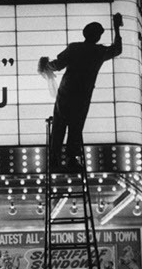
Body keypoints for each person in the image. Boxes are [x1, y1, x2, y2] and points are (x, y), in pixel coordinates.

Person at [39, 13, 123, 170]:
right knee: (76, 126)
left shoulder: (74, 48)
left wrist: (46, 66)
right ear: (97, 36)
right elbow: (117, 49)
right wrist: (117, 28)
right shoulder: (99, 52)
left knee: (59, 125)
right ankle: (71, 159)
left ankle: (54, 159)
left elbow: (57, 65)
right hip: (83, 94)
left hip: (66, 91)